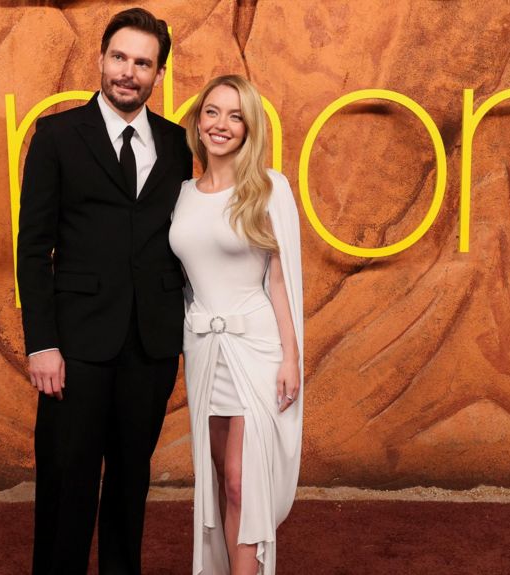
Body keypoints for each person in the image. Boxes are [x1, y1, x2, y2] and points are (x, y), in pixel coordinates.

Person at [16, 7, 193, 574]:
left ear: (158, 73)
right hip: (75, 347)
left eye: (142, 63)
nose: (128, 72)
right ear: (100, 59)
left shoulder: (177, 144)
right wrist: (42, 343)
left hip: (151, 344)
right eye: (119, 57)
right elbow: (32, 248)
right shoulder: (57, 136)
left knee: (129, 484)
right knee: (66, 483)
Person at [169, 75, 304, 575]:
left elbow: (281, 280)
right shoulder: (181, 193)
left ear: (249, 128)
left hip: (257, 350)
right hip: (204, 351)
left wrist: (291, 357)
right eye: (212, 112)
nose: (221, 124)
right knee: (219, 483)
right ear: (198, 121)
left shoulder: (269, 188)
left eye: (235, 116)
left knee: (241, 483)